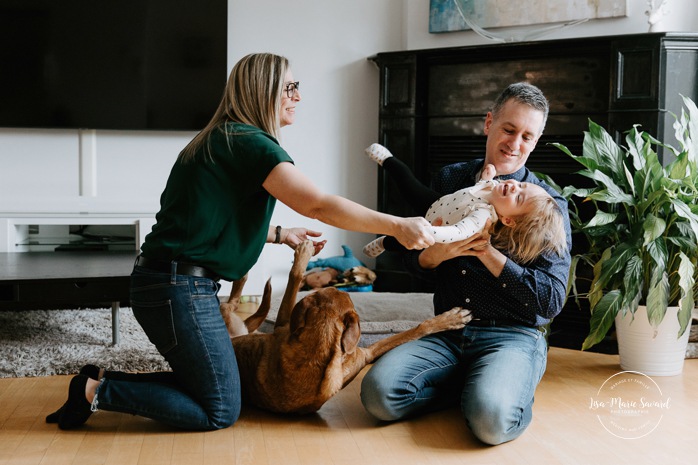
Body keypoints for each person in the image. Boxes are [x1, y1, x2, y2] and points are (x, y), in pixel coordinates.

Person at [46, 52, 434, 431]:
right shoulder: (251, 144)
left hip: (167, 283)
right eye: (290, 87)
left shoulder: (222, 138)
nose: (298, 96)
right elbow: (317, 204)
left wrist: (280, 234)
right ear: (263, 91)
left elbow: (208, 223)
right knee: (220, 409)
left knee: (216, 387)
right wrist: (398, 224)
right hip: (177, 289)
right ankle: (96, 391)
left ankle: (99, 380)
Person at [360, 82, 572, 445]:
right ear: (488, 122)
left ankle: (489, 393)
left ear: (535, 141)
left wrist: (489, 254)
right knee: (378, 396)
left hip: (513, 335)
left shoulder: (546, 207)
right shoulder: (451, 179)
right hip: (448, 326)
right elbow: (418, 258)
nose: (515, 144)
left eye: (527, 136)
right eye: (508, 129)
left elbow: (551, 301)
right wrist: (433, 255)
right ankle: (468, 388)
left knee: (491, 423)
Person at [361, 144, 567, 264]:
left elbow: (456, 233)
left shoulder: (482, 219)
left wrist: (430, 231)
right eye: (521, 185)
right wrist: (488, 175)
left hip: (431, 223)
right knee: (408, 182)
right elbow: (484, 184)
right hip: (437, 202)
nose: (514, 186)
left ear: (507, 219)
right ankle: (388, 160)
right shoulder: (493, 189)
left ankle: (383, 243)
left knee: (400, 241)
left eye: (519, 198)